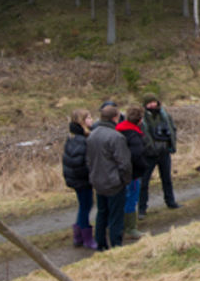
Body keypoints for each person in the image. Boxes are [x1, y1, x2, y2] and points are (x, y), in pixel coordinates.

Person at [85, 102, 132, 250]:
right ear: (115, 117)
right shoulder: (116, 137)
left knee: (102, 214)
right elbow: (124, 163)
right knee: (116, 216)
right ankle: (116, 245)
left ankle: (101, 244)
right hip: (114, 183)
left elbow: (88, 160)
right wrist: (124, 180)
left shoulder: (92, 135)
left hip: (98, 181)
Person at [62, 108, 96, 250]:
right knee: (86, 206)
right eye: (88, 118)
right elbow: (83, 162)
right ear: (82, 121)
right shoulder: (83, 140)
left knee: (84, 206)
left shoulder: (72, 138)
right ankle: (86, 238)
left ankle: (78, 236)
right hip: (82, 180)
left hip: (75, 179)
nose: (92, 120)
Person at [140, 95, 179, 212]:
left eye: (154, 102)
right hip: (149, 154)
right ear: (145, 105)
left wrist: (171, 144)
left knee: (167, 179)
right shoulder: (143, 118)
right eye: (149, 103)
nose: (152, 105)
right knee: (144, 181)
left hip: (164, 151)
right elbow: (143, 136)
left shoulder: (165, 115)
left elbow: (172, 129)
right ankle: (142, 207)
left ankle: (171, 201)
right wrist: (151, 148)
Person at [116, 106, 149, 238]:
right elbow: (137, 154)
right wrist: (143, 166)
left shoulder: (119, 129)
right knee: (131, 199)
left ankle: (121, 226)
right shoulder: (133, 134)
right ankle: (130, 228)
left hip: (119, 170)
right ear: (140, 120)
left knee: (123, 198)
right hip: (132, 173)